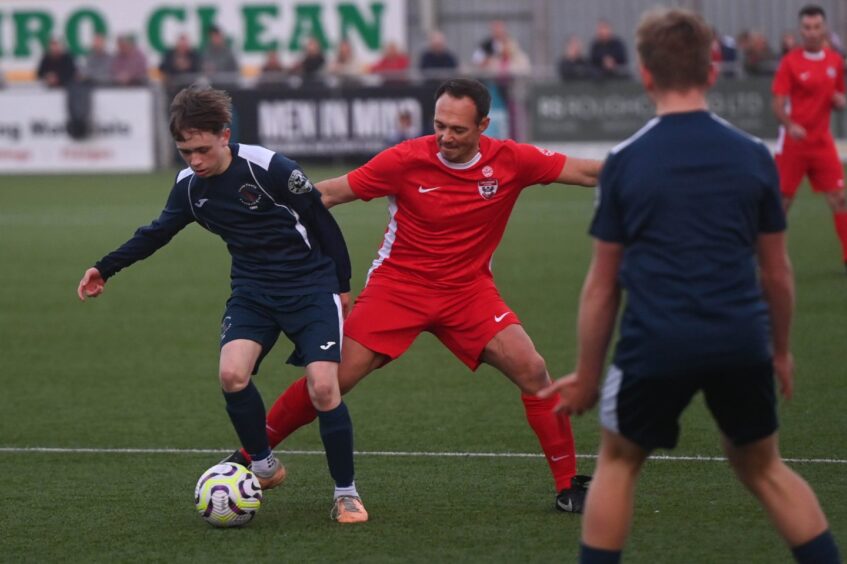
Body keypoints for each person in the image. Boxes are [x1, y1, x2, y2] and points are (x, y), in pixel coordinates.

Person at [539, 8, 842, 564]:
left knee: (619, 463)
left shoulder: (625, 162)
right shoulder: (755, 158)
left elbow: (602, 286)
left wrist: (586, 374)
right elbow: (776, 271)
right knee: (764, 468)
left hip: (656, 343)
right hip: (740, 339)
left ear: (645, 75)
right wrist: (779, 351)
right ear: (712, 70)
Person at [224, 77, 602, 513]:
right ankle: (252, 456)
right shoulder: (405, 159)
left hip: (468, 292)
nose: (445, 137)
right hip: (398, 288)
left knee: (533, 369)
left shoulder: (513, 160)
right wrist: (257, 214)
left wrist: (651, 171)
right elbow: (327, 193)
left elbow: (588, 171)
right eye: (439, 125)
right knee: (328, 380)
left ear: (484, 125)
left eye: (458, 129)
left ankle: (568, 484)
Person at [76, 85, 368, 524]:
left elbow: (320, 221)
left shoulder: (270, 168)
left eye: (201, 149)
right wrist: (105, 268)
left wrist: (341, 286)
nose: (193, 160)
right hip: (253, 290)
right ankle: (265, 466)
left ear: (224, 136)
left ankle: (346, 493)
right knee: (232, 374)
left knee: (324, 387)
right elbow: (155, 233)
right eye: (184, 151)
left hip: (310, 286)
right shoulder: (190, 188)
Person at [772, 4, 847, 272]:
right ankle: (769, 259)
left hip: (821, 142)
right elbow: (778, 105)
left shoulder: (835, 61)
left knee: (839, 198)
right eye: (807, 27)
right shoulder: (790, 62)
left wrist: (840, 101)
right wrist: (790, 124)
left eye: (817, 27)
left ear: (824, 28)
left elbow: (838, 96)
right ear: (800, 30)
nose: (812, 32)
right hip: (794, 143)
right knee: (781, 204)